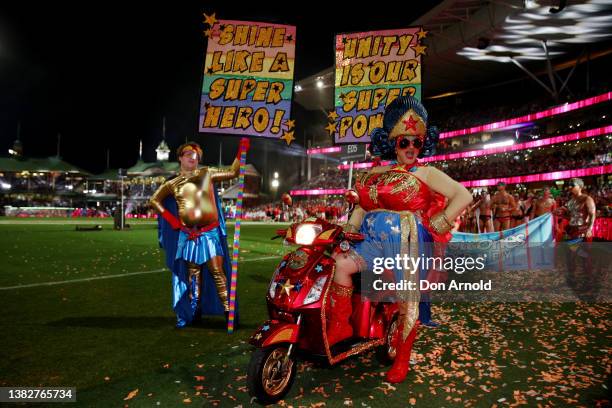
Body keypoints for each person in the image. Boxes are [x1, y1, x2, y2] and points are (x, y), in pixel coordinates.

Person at [328, 96, 472, 383]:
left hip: (405, 243)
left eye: (416, 143)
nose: (410, 148)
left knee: (407, 300)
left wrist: (438, 222)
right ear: (392, 143)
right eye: (404, 142)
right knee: (339, 264)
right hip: (370, 241)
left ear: (423, 143)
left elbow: (463, 196)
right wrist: (349, 226)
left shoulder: (426, 172)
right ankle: (341, 328)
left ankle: (402, 359)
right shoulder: (376, 172)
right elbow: (361, 207)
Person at [150, 139, 249, 328]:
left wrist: (242, 149)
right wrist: (172, 221)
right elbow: (154, 200)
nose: (193, 157)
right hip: (189, 235)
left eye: (196, 154)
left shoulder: (207, 173)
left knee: (217, 272)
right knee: (193, 275)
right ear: (180, 158)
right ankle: (194, 312)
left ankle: (228, 312)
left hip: (209, 233)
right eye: (188, 153)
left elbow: (234, 172)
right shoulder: (172, 183)